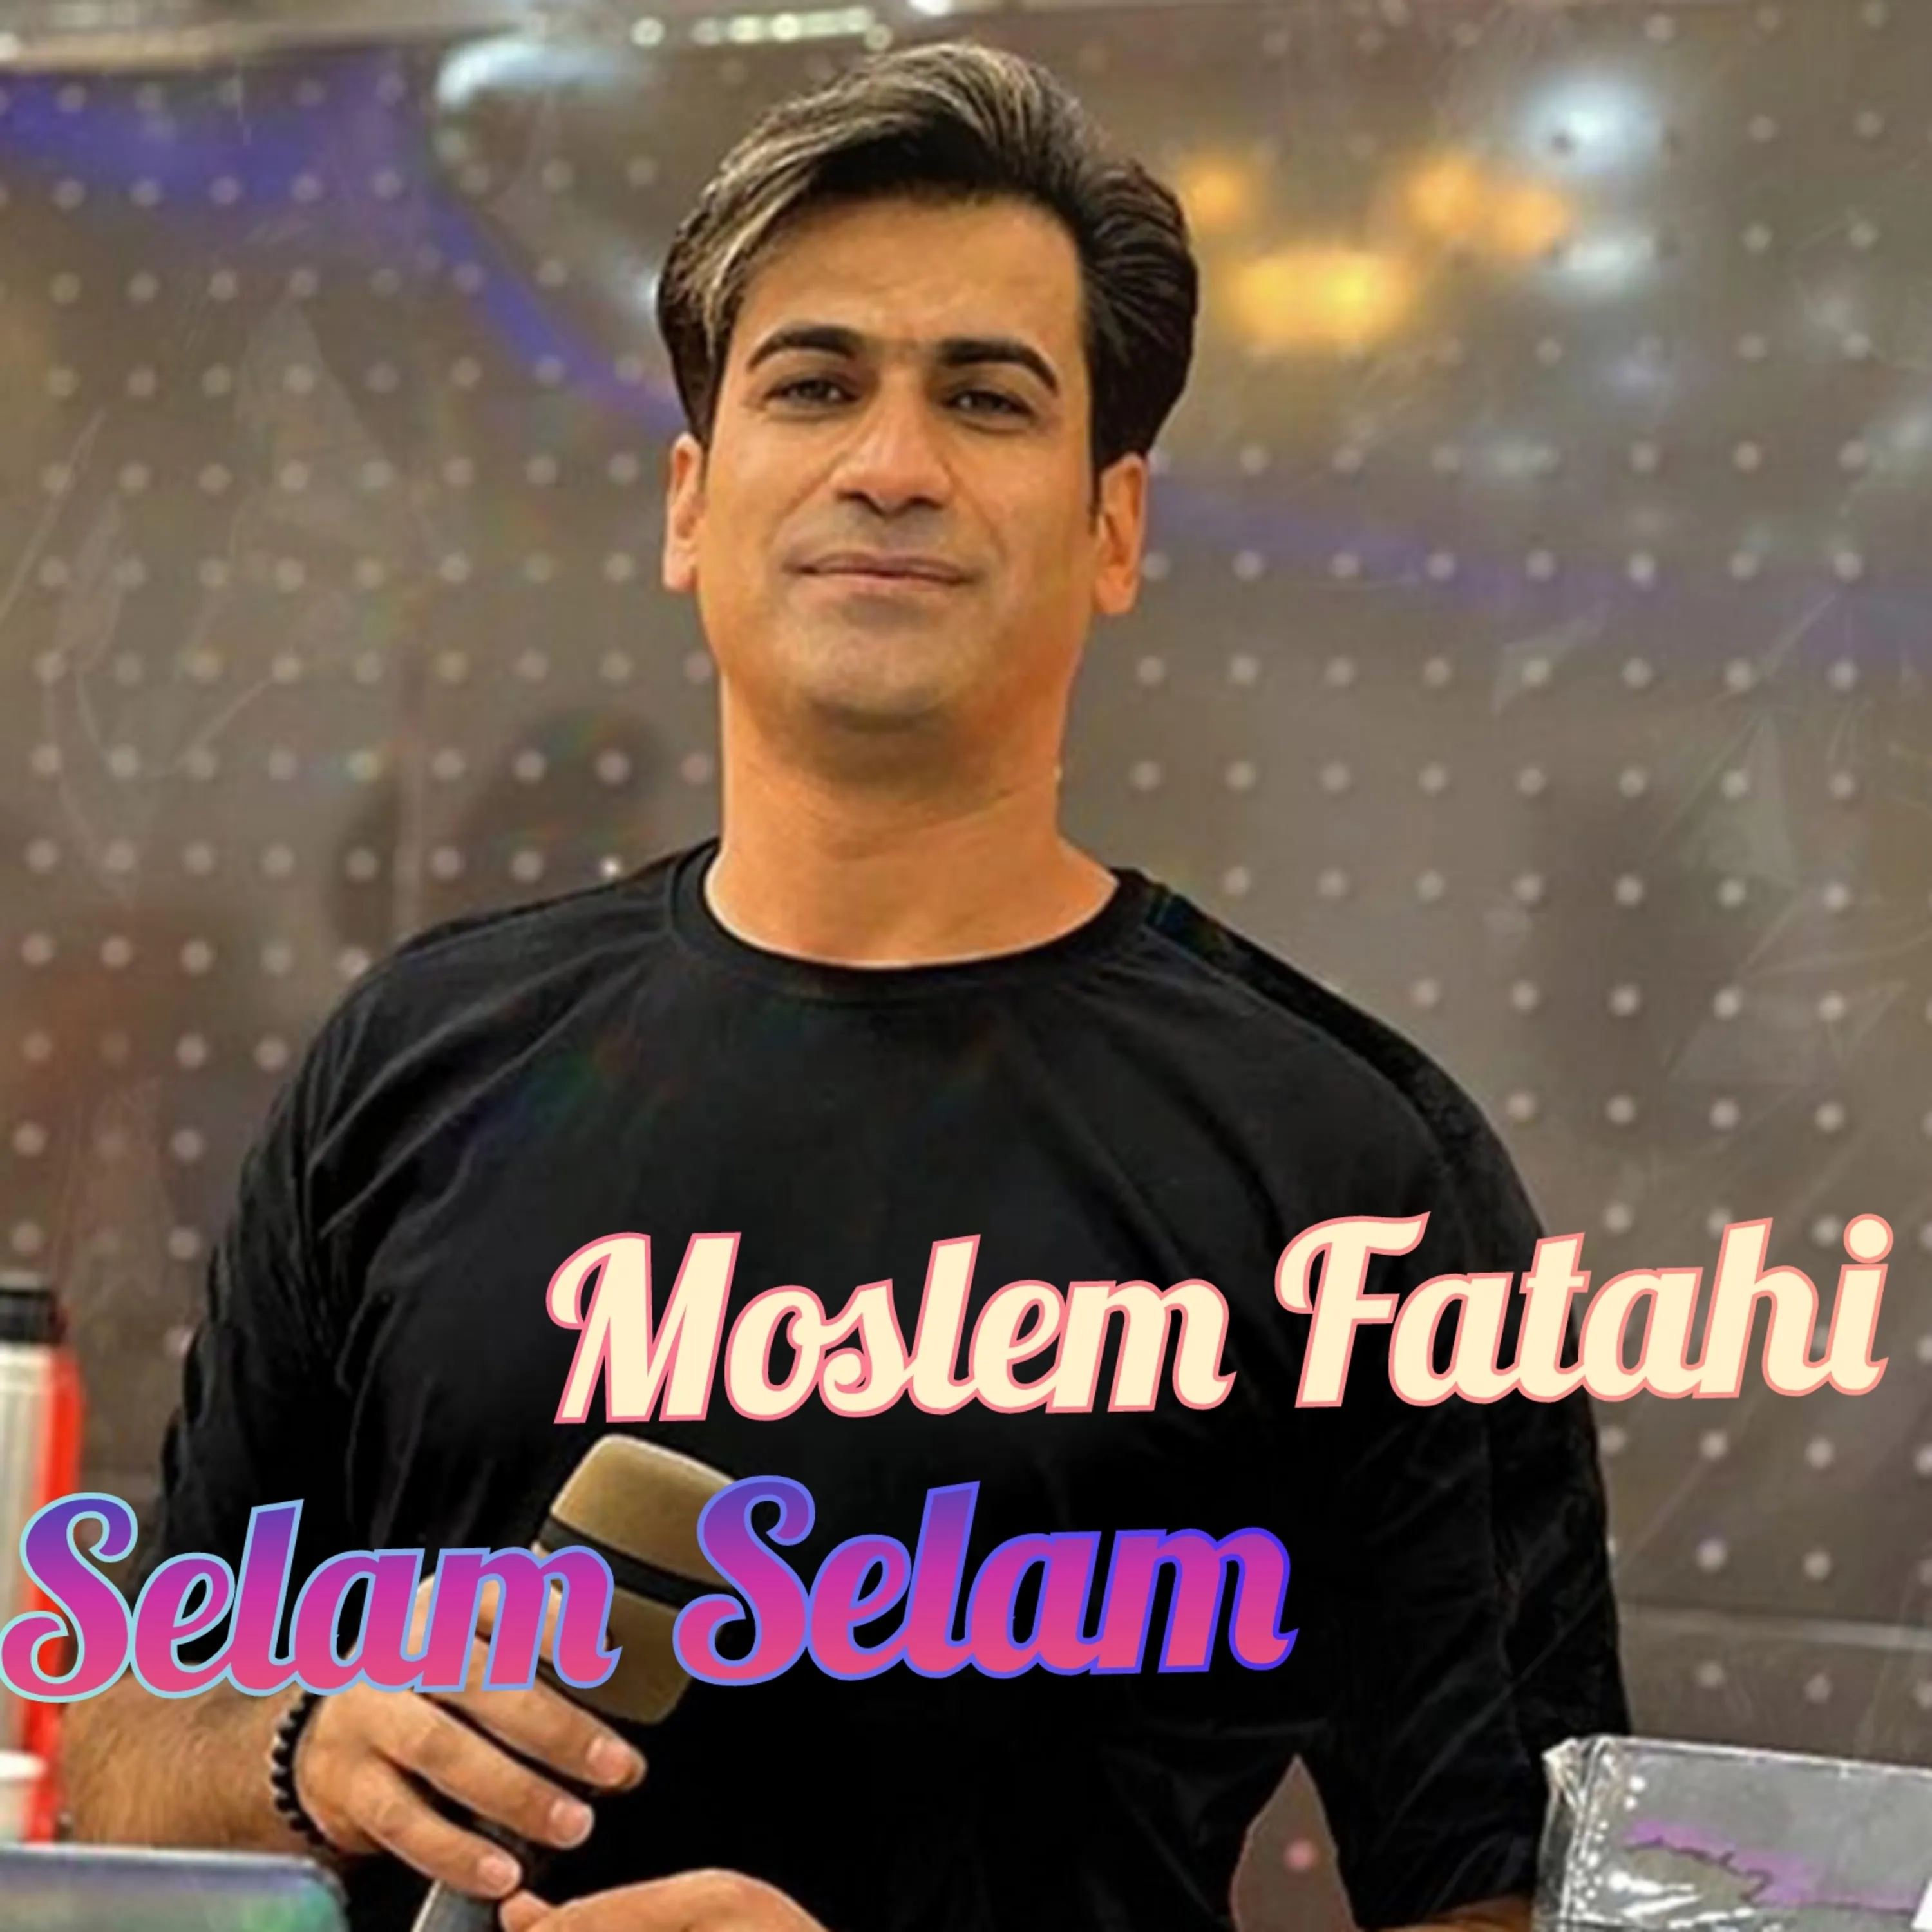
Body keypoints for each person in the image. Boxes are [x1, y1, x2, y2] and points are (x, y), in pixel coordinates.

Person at [63, 39, 1627, 1932]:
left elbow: (1513, 1902)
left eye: (986, 398)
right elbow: (123, 1745)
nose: (891, 466)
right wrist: (301, 1748)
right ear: (691, 503)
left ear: (1112, 527)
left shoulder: (1350, 1168)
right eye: (814, 385)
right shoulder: (411, 1066)